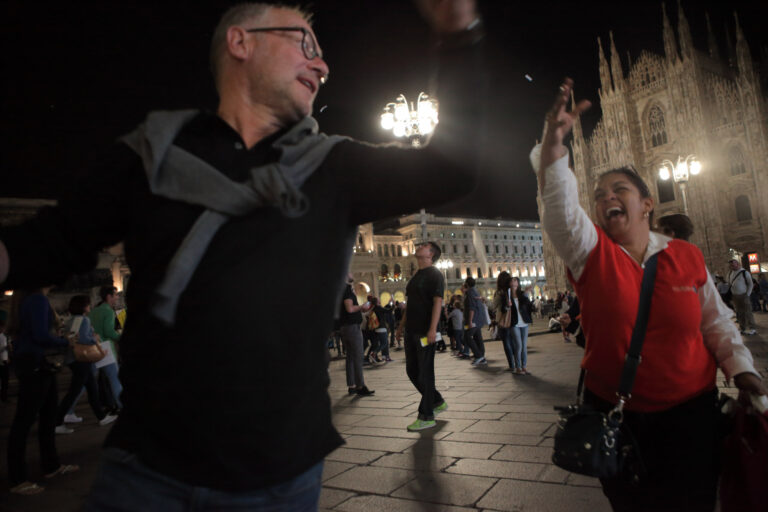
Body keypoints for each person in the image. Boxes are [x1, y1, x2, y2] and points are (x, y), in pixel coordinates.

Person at [0, 2, 484, 508]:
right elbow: (48, 242)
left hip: (277, 475)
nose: (322, 65)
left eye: (321, 55)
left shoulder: (334, 167)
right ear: (241, 43)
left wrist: (457, 33)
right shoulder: (157, 154)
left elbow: (453, 168)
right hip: (145, 468)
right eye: (305, 46)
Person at [532, 77, 767, 511]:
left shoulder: (686, 255)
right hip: (616, 416)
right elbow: (560, 208)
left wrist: (743, 372)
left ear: (646, 203)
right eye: (599, 196)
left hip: (691, 416)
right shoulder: (591, 253)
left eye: (619, 190)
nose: (606, 199)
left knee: (694, 499)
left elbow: (715, 322)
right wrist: (553, 142)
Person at [6, 288, 80, 495]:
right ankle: (18, 478)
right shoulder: (37, 299)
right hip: (37, 364)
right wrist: (65, 341)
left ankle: (51, 465)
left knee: (47, 416)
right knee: (25, 421)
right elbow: (40, 336)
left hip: (33, 363)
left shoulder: (26, 298)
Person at [396, 242, 448, 431]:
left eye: (424, 246)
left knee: (426, 373)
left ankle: (427, 415)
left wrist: (433, 329)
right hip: (411, 330)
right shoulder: (416, 275)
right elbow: (411, 304)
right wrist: (401, 326)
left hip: (425, 331)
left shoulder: (435, 275)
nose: (419, 246)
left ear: (431, 254)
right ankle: (437, 400)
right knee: (412, 371)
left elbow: (437, 302)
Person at [55, 295, 117, 434]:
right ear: (83, 307)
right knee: (74, 391)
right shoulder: (84, 320)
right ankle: (57, 421)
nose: (90, 307)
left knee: (92, 388)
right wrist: (94, 338)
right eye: (88, 305)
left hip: (74, 358)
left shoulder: (72, 320)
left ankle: (101, 417)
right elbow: (82, 338)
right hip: (81, 359)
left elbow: (72, 336)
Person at [88, 286, 123, 413]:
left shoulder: (94, 310)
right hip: (105, 348)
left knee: (86, 382)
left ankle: (68, 411)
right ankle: (122, 406)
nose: (117, 297)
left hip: (93, 348)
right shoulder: (108, 311)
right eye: (115, 295)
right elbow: (109, 332)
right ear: (109, 297)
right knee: (115, 380)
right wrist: (121, 337)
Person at [339, 273, 374, 396]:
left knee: (350, 357)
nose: (351, 273)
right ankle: (360, 386)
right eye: (348, 272)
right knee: (358, 356)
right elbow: (349, 309)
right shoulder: (347, 290)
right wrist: (361, 306)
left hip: (345, 327)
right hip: (352, 328)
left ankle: (352, 385)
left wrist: (362, 309)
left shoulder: (341, 289)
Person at [727, 258, 757, 335]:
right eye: (730, 265)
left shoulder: (744, 272)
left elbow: (750, 284)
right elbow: (729, 284)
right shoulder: (730, 273)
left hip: (744, 295)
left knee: (748, 312)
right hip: (735, 296)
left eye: (733, 265)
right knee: (739, 313)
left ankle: (752, 328)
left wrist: (747, 294)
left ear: (738, 264)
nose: (732, 266)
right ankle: (742, 328)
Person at [462, 277, 487, 366]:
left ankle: (478, 355)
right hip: (479, 318)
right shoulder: (476, 291)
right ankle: (482, 357)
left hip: (474, 319)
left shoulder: (470, 293)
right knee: (478, 337)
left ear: (466, 284)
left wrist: (470, 321)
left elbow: (472, 308)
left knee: (467, 337)